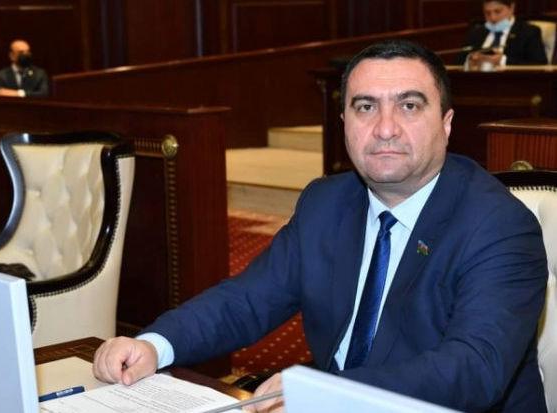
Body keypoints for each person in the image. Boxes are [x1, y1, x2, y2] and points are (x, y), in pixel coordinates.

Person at [93, 40, 548, 412]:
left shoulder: (499, 225)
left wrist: (326, 395)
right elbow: (247, 299)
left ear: (446, 124)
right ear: (344, 122)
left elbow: (473, 369)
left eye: (409, 106)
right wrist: (156, 344)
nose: (385, 128)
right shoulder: (326, 202)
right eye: (366, 107)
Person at [460, 0, 548, 69]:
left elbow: (540, 65)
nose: (493, 18)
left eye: (497, 11)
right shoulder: (476, 32)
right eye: (487, 13)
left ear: (511, 8)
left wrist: (502, 60)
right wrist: (470, 60)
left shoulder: (528, 32)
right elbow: (458, 62)